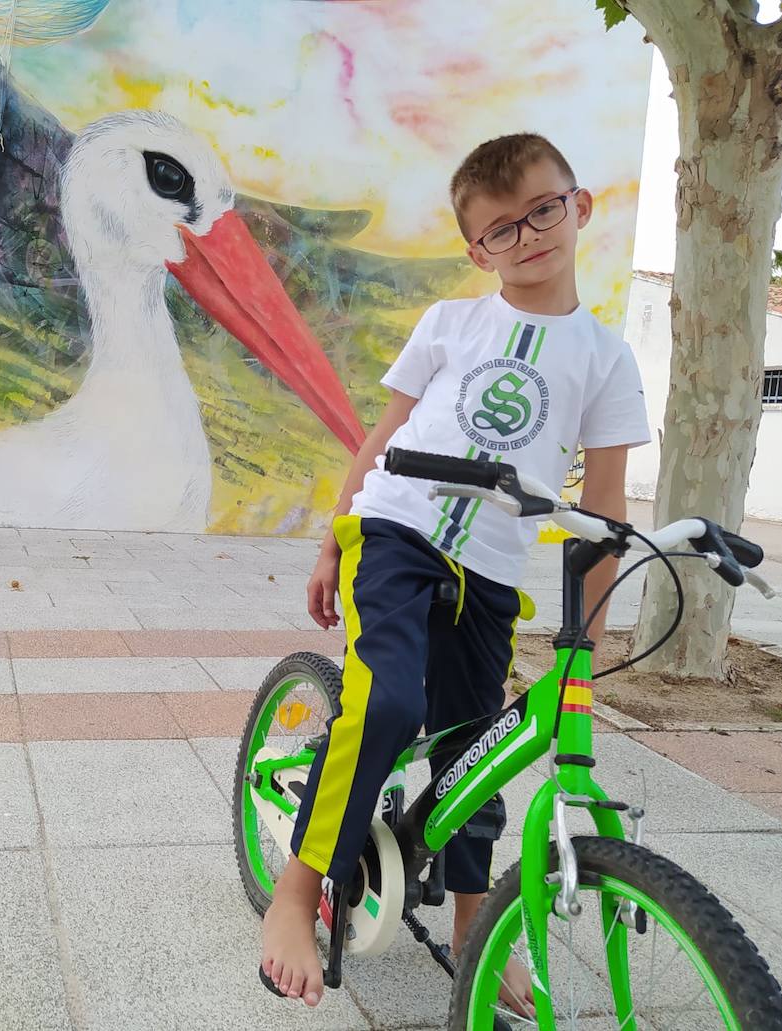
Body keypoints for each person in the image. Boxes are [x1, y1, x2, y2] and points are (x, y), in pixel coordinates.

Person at [259, 133, 651, 1010]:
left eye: (543, 210)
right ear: (478, 251)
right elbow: (382, 436)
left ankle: (475, 922)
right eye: (501, 230)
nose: (528, 236)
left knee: (479, 745)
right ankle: (297, 887)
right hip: (398, 532)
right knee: (391, 701)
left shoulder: (605, 356)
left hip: (494, 570)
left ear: (579, 205)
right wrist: (335, 537)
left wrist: (581, 645)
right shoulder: (451, 322)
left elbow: (608, 516)